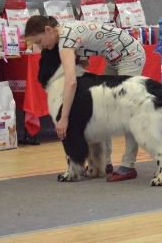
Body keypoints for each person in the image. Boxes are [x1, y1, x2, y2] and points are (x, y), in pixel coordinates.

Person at [24, 16, 147, 182]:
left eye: (39, 41)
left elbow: (71, 82)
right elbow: (83, 61)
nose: (41, 47)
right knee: (106, 107)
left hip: (130, 55)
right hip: (113, 57)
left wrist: (64, 118)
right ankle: (105, 163)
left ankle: (128, 164)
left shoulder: (66, 41)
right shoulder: (63, 33)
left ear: (48, 30)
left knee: (127, 109)